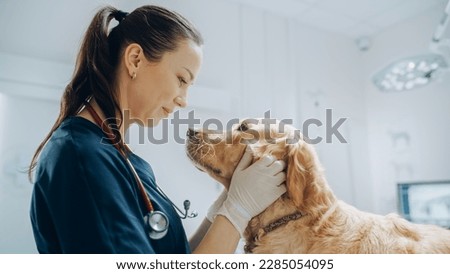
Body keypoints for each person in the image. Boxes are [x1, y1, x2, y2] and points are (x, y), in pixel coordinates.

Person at [28, 5, 286, 254]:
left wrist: (222, 209)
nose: (184, 100)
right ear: (135, 60)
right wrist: (237, 211)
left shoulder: (125, 160)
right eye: (181, 79)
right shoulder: (82, 157)